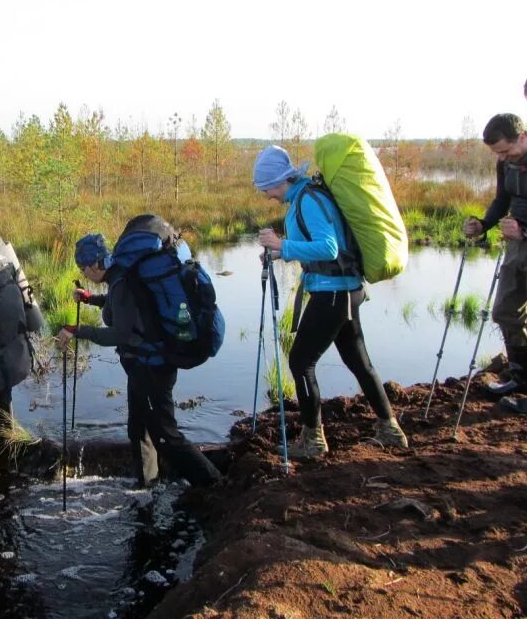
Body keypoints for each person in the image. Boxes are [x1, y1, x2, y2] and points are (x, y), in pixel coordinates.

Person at [253, 145, 408, 459]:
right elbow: (319, 248)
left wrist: (282, 244)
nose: (266, 195)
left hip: (333, 293)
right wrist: (282, 251)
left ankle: (313, 441)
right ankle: (390, 429)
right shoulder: (305, 197)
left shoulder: (308, 200)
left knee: (300, 362)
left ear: (278, 180)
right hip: (344, 289)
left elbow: (328, 248)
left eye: (265, 188)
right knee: (359, 362)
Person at [55, 234, 221, 487]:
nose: (84, 274)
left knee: (166, 435)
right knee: (138, 429)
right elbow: (128, 309)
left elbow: (120, 334)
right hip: (143, 365)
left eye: (83, 269)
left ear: (92, 265)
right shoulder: (122, 273)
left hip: (152, 367)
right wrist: (91, 299)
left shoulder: (122, 281)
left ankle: (213, 485)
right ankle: (146, 485)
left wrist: (78, 330)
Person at [462, 113, 527, 414]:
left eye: (506, 151)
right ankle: (521, 380)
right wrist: (483, 224)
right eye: (498, 154)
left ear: (521, 137)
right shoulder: (504, 162)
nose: (504, 158)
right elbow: (500, 201)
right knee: (505, 311)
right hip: (516, 246)